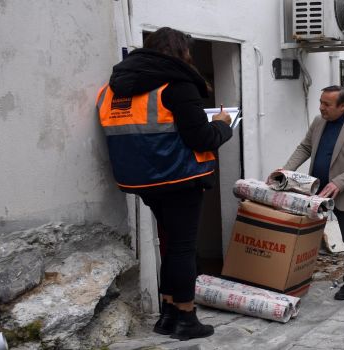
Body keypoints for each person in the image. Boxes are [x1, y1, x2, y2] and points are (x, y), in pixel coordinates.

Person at [96, 27, 232, 340]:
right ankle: (186, 317)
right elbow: (201, 137)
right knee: (183, 248)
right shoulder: (177, 84)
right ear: (181, 52)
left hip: (142, 179)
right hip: (179, 177)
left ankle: (167, 314)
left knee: (171, 244)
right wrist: (224, 127)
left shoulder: (113, 87)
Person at [283, 85, 344, 300]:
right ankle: (298, 277)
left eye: (326, 104)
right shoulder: (319, 122)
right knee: (307, 237)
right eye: (321, 102)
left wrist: (340, 182)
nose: (321, 108)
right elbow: (305, 147)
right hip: (316, 193)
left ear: (342, 106)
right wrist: (286, 170)